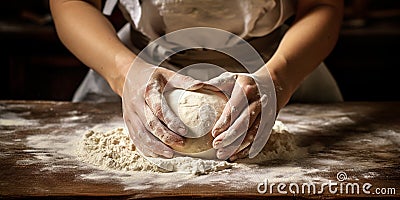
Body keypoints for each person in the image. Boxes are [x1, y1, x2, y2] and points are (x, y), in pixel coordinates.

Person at [49, 0, 344, 161]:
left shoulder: (281, 72)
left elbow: (323, 5)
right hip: (133, 59)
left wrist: (280, 78)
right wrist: (124, 72)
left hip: (280, 59)